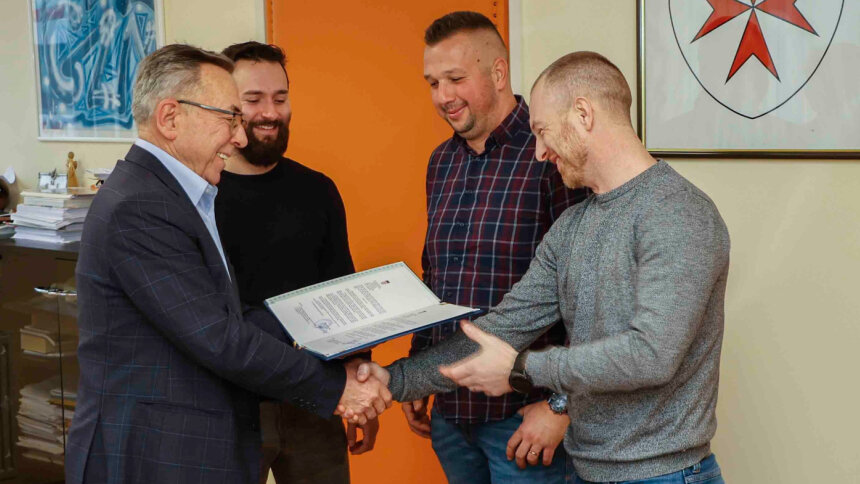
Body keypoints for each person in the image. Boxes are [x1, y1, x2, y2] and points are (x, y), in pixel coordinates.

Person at [358, 51, 729, 483]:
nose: (538, 152)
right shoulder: (571, 226)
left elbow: (651, 356)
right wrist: (391, 381)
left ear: (583, 114)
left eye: (541, 131)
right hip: (587, 471)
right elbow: (499, 330)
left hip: (664, 475)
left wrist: (522, 369)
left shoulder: (678, 212)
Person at [66, 44, 391, 484]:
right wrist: (336, 388)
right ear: (170, 118)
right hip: (155, 451)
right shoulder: (141, 206)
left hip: (189, 442)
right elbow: (218, 336)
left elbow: (229, 318)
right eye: (229, 117)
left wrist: (342, 354)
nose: (239, 137)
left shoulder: (172, 194)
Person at [406, 11, 585, 484]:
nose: (442, 96)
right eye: (432, 83)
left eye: (455, 79)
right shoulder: (441, 162)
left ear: (499, 72)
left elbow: (590, 292)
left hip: (524, 419)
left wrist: (562, 406)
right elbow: (436, 276)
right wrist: (418, 373)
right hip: (451, 415)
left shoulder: (550, 153)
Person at [215, 41, 377, 484]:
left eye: (280, 98)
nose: (270, 112)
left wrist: (359, 389)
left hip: (314, 399)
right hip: (230, 405)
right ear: (227, 106)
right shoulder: (200, 196)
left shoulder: (317, 190)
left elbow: (344, 293)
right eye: (253, 99)